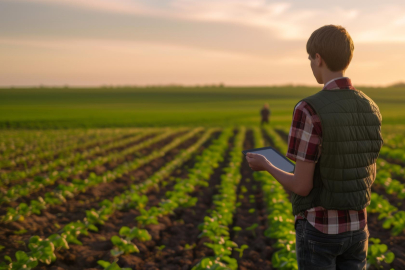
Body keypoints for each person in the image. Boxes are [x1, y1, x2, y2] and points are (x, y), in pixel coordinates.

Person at [245, 24, 383, 270]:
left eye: (310, 58)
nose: (310, 64)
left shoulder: (308, 109)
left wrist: (267, 166)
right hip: (358, 229)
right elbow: (367, 172)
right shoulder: (370, 107)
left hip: (320, 230)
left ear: (318, 59)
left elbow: (301, 185)